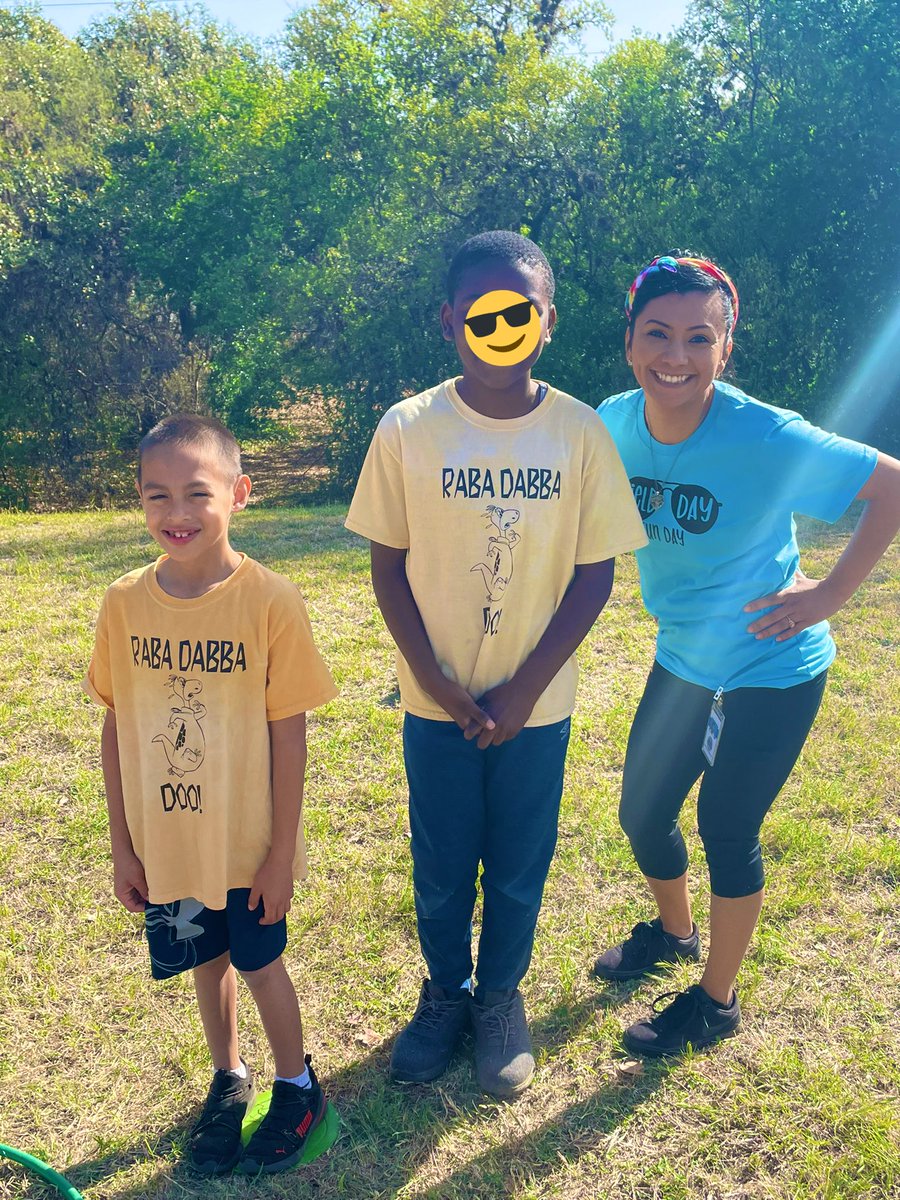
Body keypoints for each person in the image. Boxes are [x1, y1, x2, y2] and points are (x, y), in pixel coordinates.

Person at [346, 230, 647, 1097]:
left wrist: (523, 688)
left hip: (535, 708)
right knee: (441, 859)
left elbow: (595, 574)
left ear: (547, 323)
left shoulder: (579, 433)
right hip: (434, 702)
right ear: (449, 321)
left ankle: (502, 999)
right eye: (481, 312)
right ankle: (445, 995)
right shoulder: (408, 429)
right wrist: (438, 682)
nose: (500, 326)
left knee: (519, 860)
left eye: (520, 312)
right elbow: (388, 565)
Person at [594, 252, 900, 1057]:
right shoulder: (611, 424)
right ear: (628, 340)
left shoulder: (766, 434)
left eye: (700, 338)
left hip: (773, 667)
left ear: (725, 350)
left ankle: (716, 1002)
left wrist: (828, 595)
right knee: (641, 813)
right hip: (685, 658)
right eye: (657, 334)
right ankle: (674, 932)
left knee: (726, 826)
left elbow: (892, 485)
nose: (676, 356)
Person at [84, 414, 338, 1174]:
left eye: (198, 493)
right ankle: (229, 1078)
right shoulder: (124, 604)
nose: (178, 513)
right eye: (157, 496)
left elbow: (288, 734)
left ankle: (299, 1090)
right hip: (169, 846)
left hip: (248, 844)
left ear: (241, 492)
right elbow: (115, 723)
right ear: (139, 502)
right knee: (207, 962)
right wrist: (125, 846)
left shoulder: (269, 600)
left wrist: (280, 855)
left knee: (260, 965)